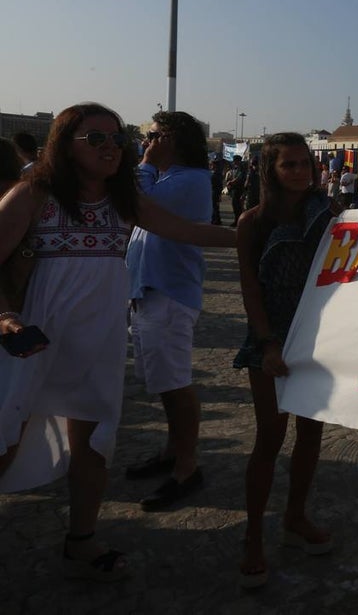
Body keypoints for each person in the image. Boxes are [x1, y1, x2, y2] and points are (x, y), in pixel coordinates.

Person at [0, 102, 234, 581]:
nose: (111, 147)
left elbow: (189, 232)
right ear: (65, 145)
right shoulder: (33, 195)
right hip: (34, 338)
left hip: (98, 342)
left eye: (117, 138)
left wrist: (257, 231)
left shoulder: (124, 200)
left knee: (93, 442)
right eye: (96, 139)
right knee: (5, 438)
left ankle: (81, 539)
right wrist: (5, 316)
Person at [233, 132, 339, 589]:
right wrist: (267, 343)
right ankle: (253, 535)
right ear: (271, 171)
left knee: (311, 434)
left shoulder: (330, 214)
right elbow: (250, 288)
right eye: (288, 165)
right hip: (272, 336)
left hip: (317, 334)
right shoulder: (252, 222)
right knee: (270, 438)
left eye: (304, 163)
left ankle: (295, 518)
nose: (299, 172)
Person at [123, 112, 213, 511]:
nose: (148, 141)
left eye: (155, 135)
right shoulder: (169, 178)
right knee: (163, 383)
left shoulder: (190, 179)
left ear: (174, 139)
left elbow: (133, 205)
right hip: (150, 291)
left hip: (170, 294)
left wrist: (144, 164)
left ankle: (186, 467)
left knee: (176, 385)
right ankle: (173, 451)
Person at [225, 155, 247, 225]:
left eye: (235, 161)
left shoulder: (242, 169)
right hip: (234, 189)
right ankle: (237, 220)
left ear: (238, 161)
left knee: (238, 207)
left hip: (239, 189)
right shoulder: (235, 168)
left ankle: (239, 221)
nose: (234, 162)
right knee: (235, 206)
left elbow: (239, 178)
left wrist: (230, 182)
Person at [209, 156, 225, 225]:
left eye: (212, 164)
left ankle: (216, 220)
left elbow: (219, 185)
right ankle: (215, 219)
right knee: (214, 206)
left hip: (215, 191)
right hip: (213, 191)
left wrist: (219, 194)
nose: (211, 166)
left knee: (215, 206)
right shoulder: (214, 172)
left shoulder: (217, 173)